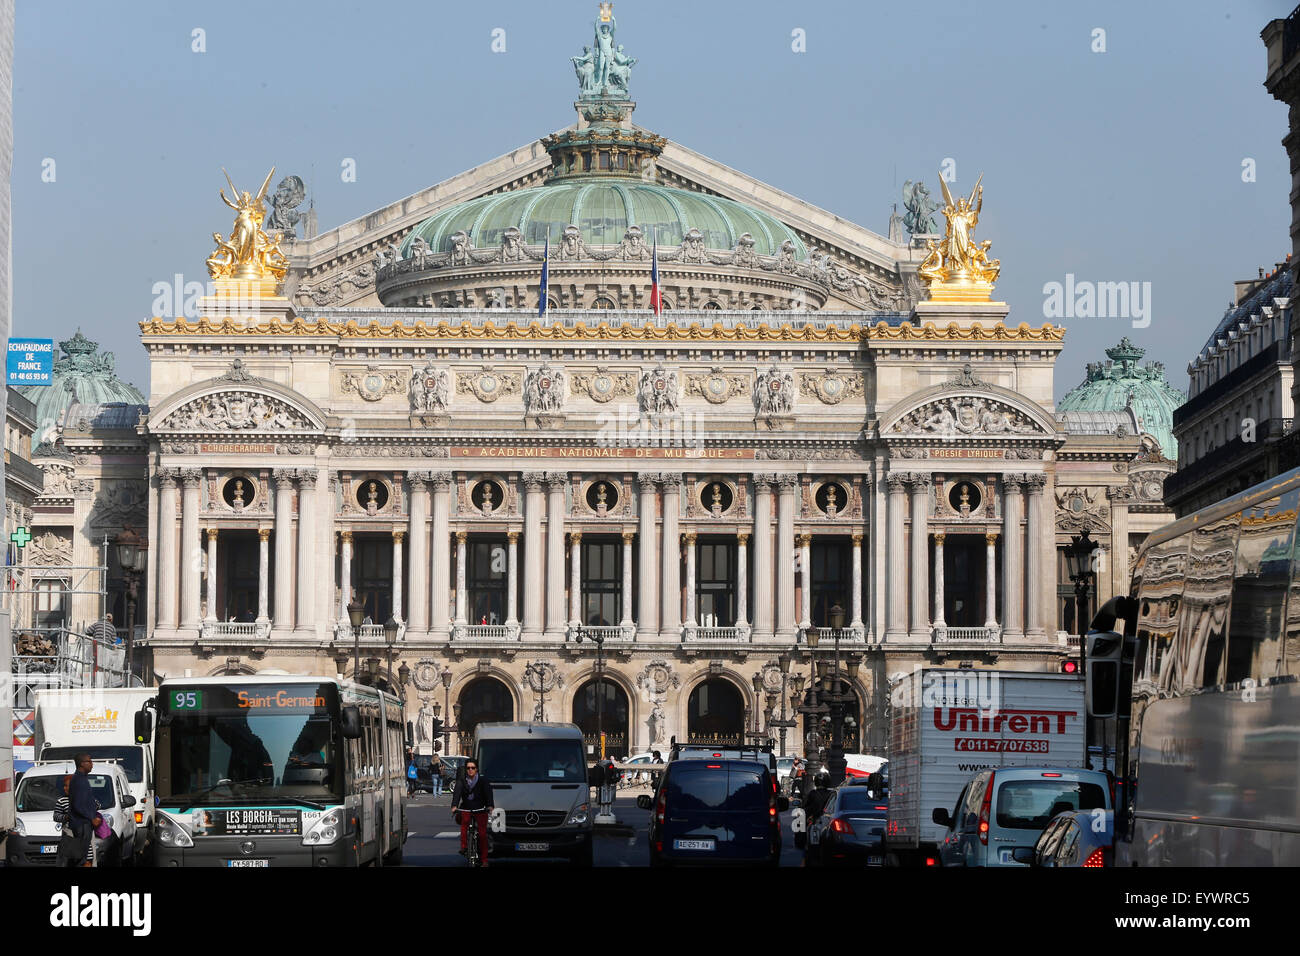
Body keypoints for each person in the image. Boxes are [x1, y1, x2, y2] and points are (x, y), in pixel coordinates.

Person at [56, 754, 99, 868]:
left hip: (83, 824)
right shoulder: (79, 780)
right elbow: (78, 805)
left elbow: (87, 802)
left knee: (85, 856)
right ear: (82, 764)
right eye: (89, 762)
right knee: (82, 858)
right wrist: (92, 818)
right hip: (81, 824)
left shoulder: (82, 778)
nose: (92, 764)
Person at [450, 758, 493, 866]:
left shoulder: (483, 781)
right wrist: (454, 806)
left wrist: (490, 806)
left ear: (477, 769)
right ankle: (464, 847)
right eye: (468, 768)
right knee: (464, 823)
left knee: (482, 835)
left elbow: (488, 794)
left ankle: (484, 860)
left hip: (480, 809)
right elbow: (457, 794)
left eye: (472, 768)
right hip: (466, 808)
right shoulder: (461, 781)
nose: (470, 770)